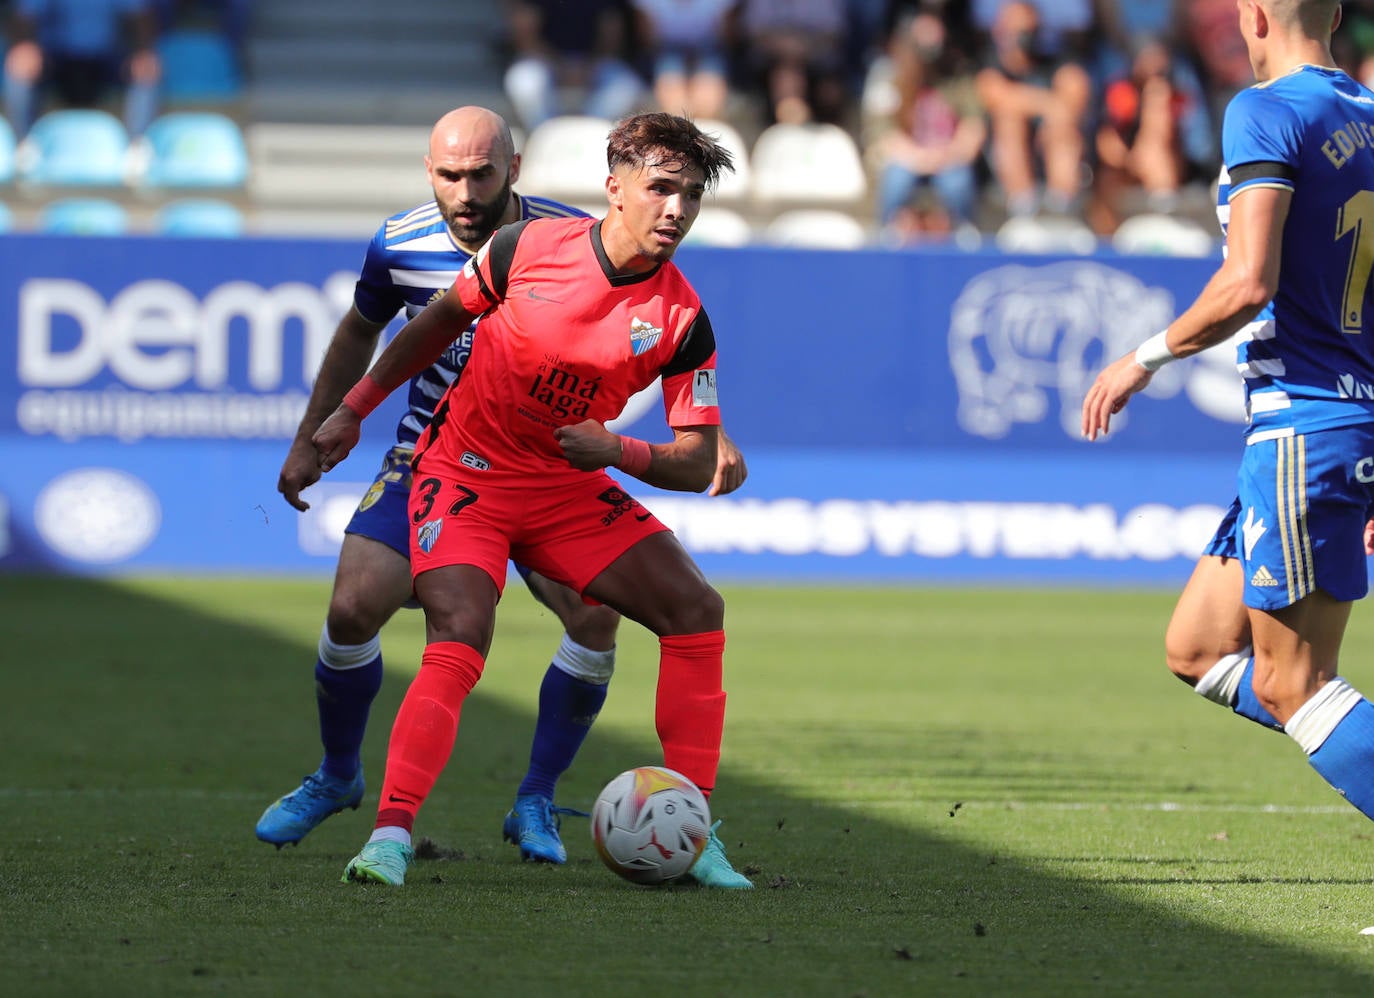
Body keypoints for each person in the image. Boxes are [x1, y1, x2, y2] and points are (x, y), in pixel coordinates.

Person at [254, 106, 749, 867]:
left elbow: (694, 459)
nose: (676, 209)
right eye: (661, 189)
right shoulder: (525, 249)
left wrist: (620, 448)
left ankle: (688, 829)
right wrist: (351, 412)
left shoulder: (683, 317)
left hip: (564, 488)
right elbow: (429, 327)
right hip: (462, 471)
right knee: (446, 624)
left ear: (513, 171)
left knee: (693, 609)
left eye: (690, 194)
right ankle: (386, 830)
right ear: (615, 187)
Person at [1082, 0, 1374, 835]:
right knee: (1199, 650)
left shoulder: (1267, 109)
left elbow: (1249, 282)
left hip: (1303, 426)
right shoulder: (1367, 119)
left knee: (1298, 684)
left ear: (1251, 16)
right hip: (1344, 424)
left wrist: (1141, 358)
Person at [972, 0, 1092, 217]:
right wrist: (1049, 105)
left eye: (1029, 30)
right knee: (1010, 120)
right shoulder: (990, 64)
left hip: (1052, 148)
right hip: (1003, 160)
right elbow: (997, 95)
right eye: (1016, 30)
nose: (1023, 37)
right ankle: (1022, 204)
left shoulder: (1056, 61)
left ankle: (1061, 205)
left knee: (1061, 127)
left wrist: (1052, 116)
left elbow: (1076, 92)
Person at [3, 0, 161, 138]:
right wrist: (25, 45)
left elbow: (138, 16)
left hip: (106, 60)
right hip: (56, 60)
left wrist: (143, 51)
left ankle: (138, 148)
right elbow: (25, 16)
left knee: (147, 67)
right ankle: (23, 146)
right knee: (20, 63)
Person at [502, 0, 646, 129]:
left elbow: (611, 32)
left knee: (626, 86)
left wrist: (589, 66)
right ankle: (544, 136)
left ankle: (588, 136)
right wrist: (560, 66)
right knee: (525, 82)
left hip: (594, 61)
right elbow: (525, 35)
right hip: (543, 59)